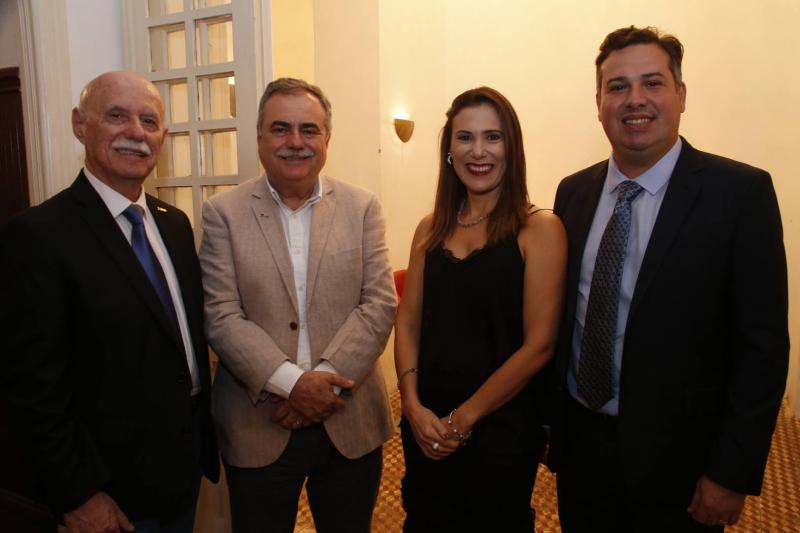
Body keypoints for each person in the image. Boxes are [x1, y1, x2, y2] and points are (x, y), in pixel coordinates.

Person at [549, 26, 789, 532]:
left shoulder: (740, 195)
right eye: (617, 87)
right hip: (582, 453)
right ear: (598, 103)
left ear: (680, 95)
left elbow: (762, 348)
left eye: (652, 83)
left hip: (682, 467)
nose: (635, 100)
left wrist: (731, 472)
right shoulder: (572, 193)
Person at [0, 71, 219, 533]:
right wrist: (78, 493)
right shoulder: (39, 236)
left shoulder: (174, 224)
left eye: (149, 121)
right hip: (108, 490)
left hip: (181, 470)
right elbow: (34, 387)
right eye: (117, 116)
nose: (135, 132)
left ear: (163, 137)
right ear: (80, 124)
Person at [199, 77, 396, 533]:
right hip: (258, 423)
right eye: (280, 128)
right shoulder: (222, 213)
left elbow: (379, 304)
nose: (295, 142)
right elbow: (222, 315)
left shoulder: (362, 207)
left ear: (327, 138)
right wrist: (293, 385)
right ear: (259, 138)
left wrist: (322, 386)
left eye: (309, 129)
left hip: (349, 420)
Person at [394, 87, 567, 532]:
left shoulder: (539, 229)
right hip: (426, 424)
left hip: (499, 427)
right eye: (465, 137)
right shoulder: (429, 229)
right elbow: (408, 322)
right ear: (449, 150)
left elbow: (539, 346)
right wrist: (412, 406)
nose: (478, 151)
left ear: (512, 147)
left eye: (493, 137)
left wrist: (463, 419)